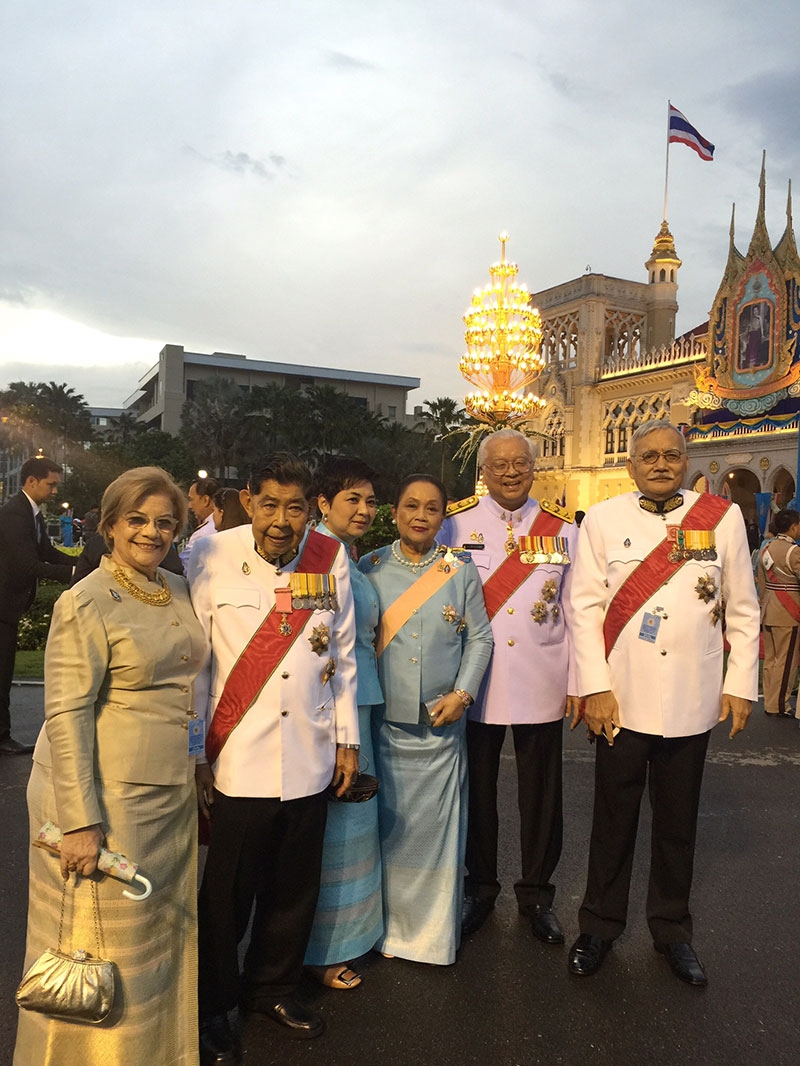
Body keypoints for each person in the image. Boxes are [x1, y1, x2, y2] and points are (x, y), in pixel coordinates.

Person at [13, 466, 207, 1066]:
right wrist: (79, 822)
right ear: (110, 526)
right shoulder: (85, 601)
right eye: (137, 520)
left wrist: (198, 763)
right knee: (94, 948)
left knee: (157, 943)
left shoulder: (175, 587)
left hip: (168, 796)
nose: (152, 532)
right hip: (104, 800)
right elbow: (66, 714)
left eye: (165, 523)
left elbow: (186, 688)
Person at [567, 420, 759, 987]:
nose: (659, 464)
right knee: (613, 821)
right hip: (621, 701)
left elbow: (743, 608)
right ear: (630, 465)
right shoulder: (603, 519)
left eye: (670, 455)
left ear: (685, 461)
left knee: (677, 826)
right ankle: (599, 927)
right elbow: (583, 609)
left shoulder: (721, 518)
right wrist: (594, 687)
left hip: (691, 698)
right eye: (648, 456)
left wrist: (740, 683)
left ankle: (672, 931)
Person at [187, 453, 359, 1061]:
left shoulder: (330, 556)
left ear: (310, 508)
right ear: (248, 502)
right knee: (226, 896)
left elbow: (343, 655)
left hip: (309, 751)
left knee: (293, 887)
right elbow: (195, 665)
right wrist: (195, 755)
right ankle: (211, 1006)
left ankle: (271, 989)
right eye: (269, 505)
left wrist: (347, 739)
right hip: (237, 754)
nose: (281, 521)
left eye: (294, 507)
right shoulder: (209, 553)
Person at [440, 428, 578, 944]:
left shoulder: (564, 529)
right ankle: (480, 888)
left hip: (542, 678)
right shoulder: (454, 524)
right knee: (476, 791)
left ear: (534, 467)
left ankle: (537, 894)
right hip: (476, 683)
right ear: (483, 471)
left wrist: (579, 684)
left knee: (541, 796)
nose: (511, 472)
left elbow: (576, 610)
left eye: (520, 462)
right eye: (499, 464)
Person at [360, 474, 493, 965]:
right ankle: (387, 930)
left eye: (432, 508)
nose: (420, 516)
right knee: (389, 832)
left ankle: (431, 937)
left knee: (435, 834)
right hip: (386, 726)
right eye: (411, 505)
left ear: (443, 516)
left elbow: (480, 637)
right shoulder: (370, 567)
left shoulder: (459, 568)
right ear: (394, 511)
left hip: (442, 725)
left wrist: (463, 694)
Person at [304, 457, 384, 991]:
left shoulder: (348, 556)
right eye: (351, 499)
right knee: (338, 830)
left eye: (370, 500)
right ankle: (322, 950)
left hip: (363, 702)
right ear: (323, 503)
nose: (364, 509)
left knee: (355, 827)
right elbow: (317, 643)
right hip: (336, 708)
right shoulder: (316, 557)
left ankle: (348, 937)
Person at [0, 457, 74, 755]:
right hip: (3, 605)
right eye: (51, 484)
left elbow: (47, 552)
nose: (54, 491)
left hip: (8, 606)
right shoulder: (15, 515)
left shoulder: (31, 513)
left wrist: (86, 565)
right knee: (2, 672)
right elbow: (27, 565)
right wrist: (74, 574)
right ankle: (1, 736)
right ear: (31, 481)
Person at [756, 507, 800, 718]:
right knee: (786, 660)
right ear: (793, 527)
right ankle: (779, 705)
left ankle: (770, 701)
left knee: (771, 660)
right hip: (788, 611)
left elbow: (762, 581)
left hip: (769, 608)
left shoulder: (766, 548)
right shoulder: (794, 551)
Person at [180, 476, 221, 568]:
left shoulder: (203, 533)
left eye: (191, 500)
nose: (190, 506)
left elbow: (184, 565)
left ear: (206, 500)